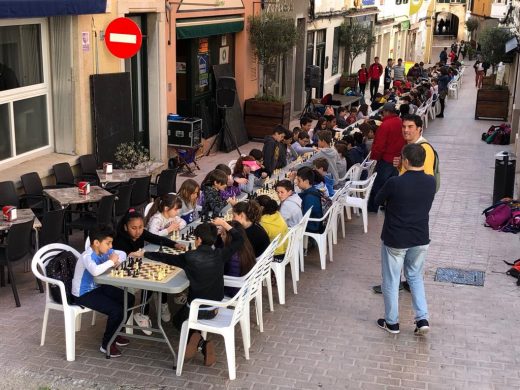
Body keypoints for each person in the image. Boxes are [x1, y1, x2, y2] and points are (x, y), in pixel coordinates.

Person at [146, 218, 243, 366]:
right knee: (184, 316)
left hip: (196, 310)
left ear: (197, 239)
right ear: (214, 238)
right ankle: (200, 343)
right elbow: (239, 238)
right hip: (216, 308)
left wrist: (144, 254)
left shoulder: (189, 257)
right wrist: (224, 224)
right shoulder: (220, 254)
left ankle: (200, 341)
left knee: (178, 321)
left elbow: (166, 257)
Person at [372, 114, 438, 295]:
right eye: (404, 127)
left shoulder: (424, 150)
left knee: (400, 250)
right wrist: (400, 166)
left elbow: (420, 180)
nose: (406, 130)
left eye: (410, 127)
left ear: (419, 129)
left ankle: (394, 288)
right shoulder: (410, 147)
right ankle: (405, 282)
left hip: (407, 212)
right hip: (410, 212)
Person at [375, 143, 435, 335]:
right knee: (415, 277)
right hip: (420, 237)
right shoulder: (431, 182)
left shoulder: (395, 182)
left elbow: (377, 200)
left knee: (392, 280)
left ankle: (392, 322)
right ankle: (422, 318)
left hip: (396, 238)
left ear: (405, 161)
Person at [113, 209, 181, 332]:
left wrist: (174, 244)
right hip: (122, 274)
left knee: (156, 275)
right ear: (125, 227)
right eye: (134, 228)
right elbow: (118, 259)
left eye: (140, 227)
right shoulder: (119, 240)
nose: (138, 231)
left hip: (138, 269)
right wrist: (129, 255)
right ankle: (143, 313)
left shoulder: (141, 233)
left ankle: (157, 305)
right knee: (150, 281)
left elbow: (156, 238)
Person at [72, 226, 135, 358]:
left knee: (128, 298)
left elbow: (118, 257)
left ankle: (116, 333)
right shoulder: (87, 256)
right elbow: (95, 271)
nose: (111, 246)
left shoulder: (104, 251)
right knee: (116, 310)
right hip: (83, 294)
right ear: (96, 243)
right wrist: (111, 261)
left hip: (98, 287)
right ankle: (106, 344)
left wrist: (116, 262)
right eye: (108, 243)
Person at [367, 102, 405, 213]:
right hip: (397, 158)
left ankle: (372, 207)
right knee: (392, 184)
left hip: (386, 159)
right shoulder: (400, 122)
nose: (382, 114)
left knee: (378, 184)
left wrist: (375, 157)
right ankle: (389, 205)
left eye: (383, 112)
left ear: (387, 112)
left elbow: (379, 144)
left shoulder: (385, 125)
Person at [218, 220, 256, 297]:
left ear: (230, 237)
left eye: (223, 234)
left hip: (232, 291)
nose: (220, 236)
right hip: (243, 286)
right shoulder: (246, 247)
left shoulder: (230, 255)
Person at [256, 195, 289, 262]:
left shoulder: (263, 222)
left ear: (261, 208)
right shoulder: (277, 214)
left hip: (275, 255)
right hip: (285, 250)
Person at [295, 167, 324, 233]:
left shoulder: (309, 197)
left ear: (306, 182)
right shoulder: (312, 190)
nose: (296, 183)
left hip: (312, 226)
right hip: (315, 223)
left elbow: (303, 216)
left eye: (299, 181)